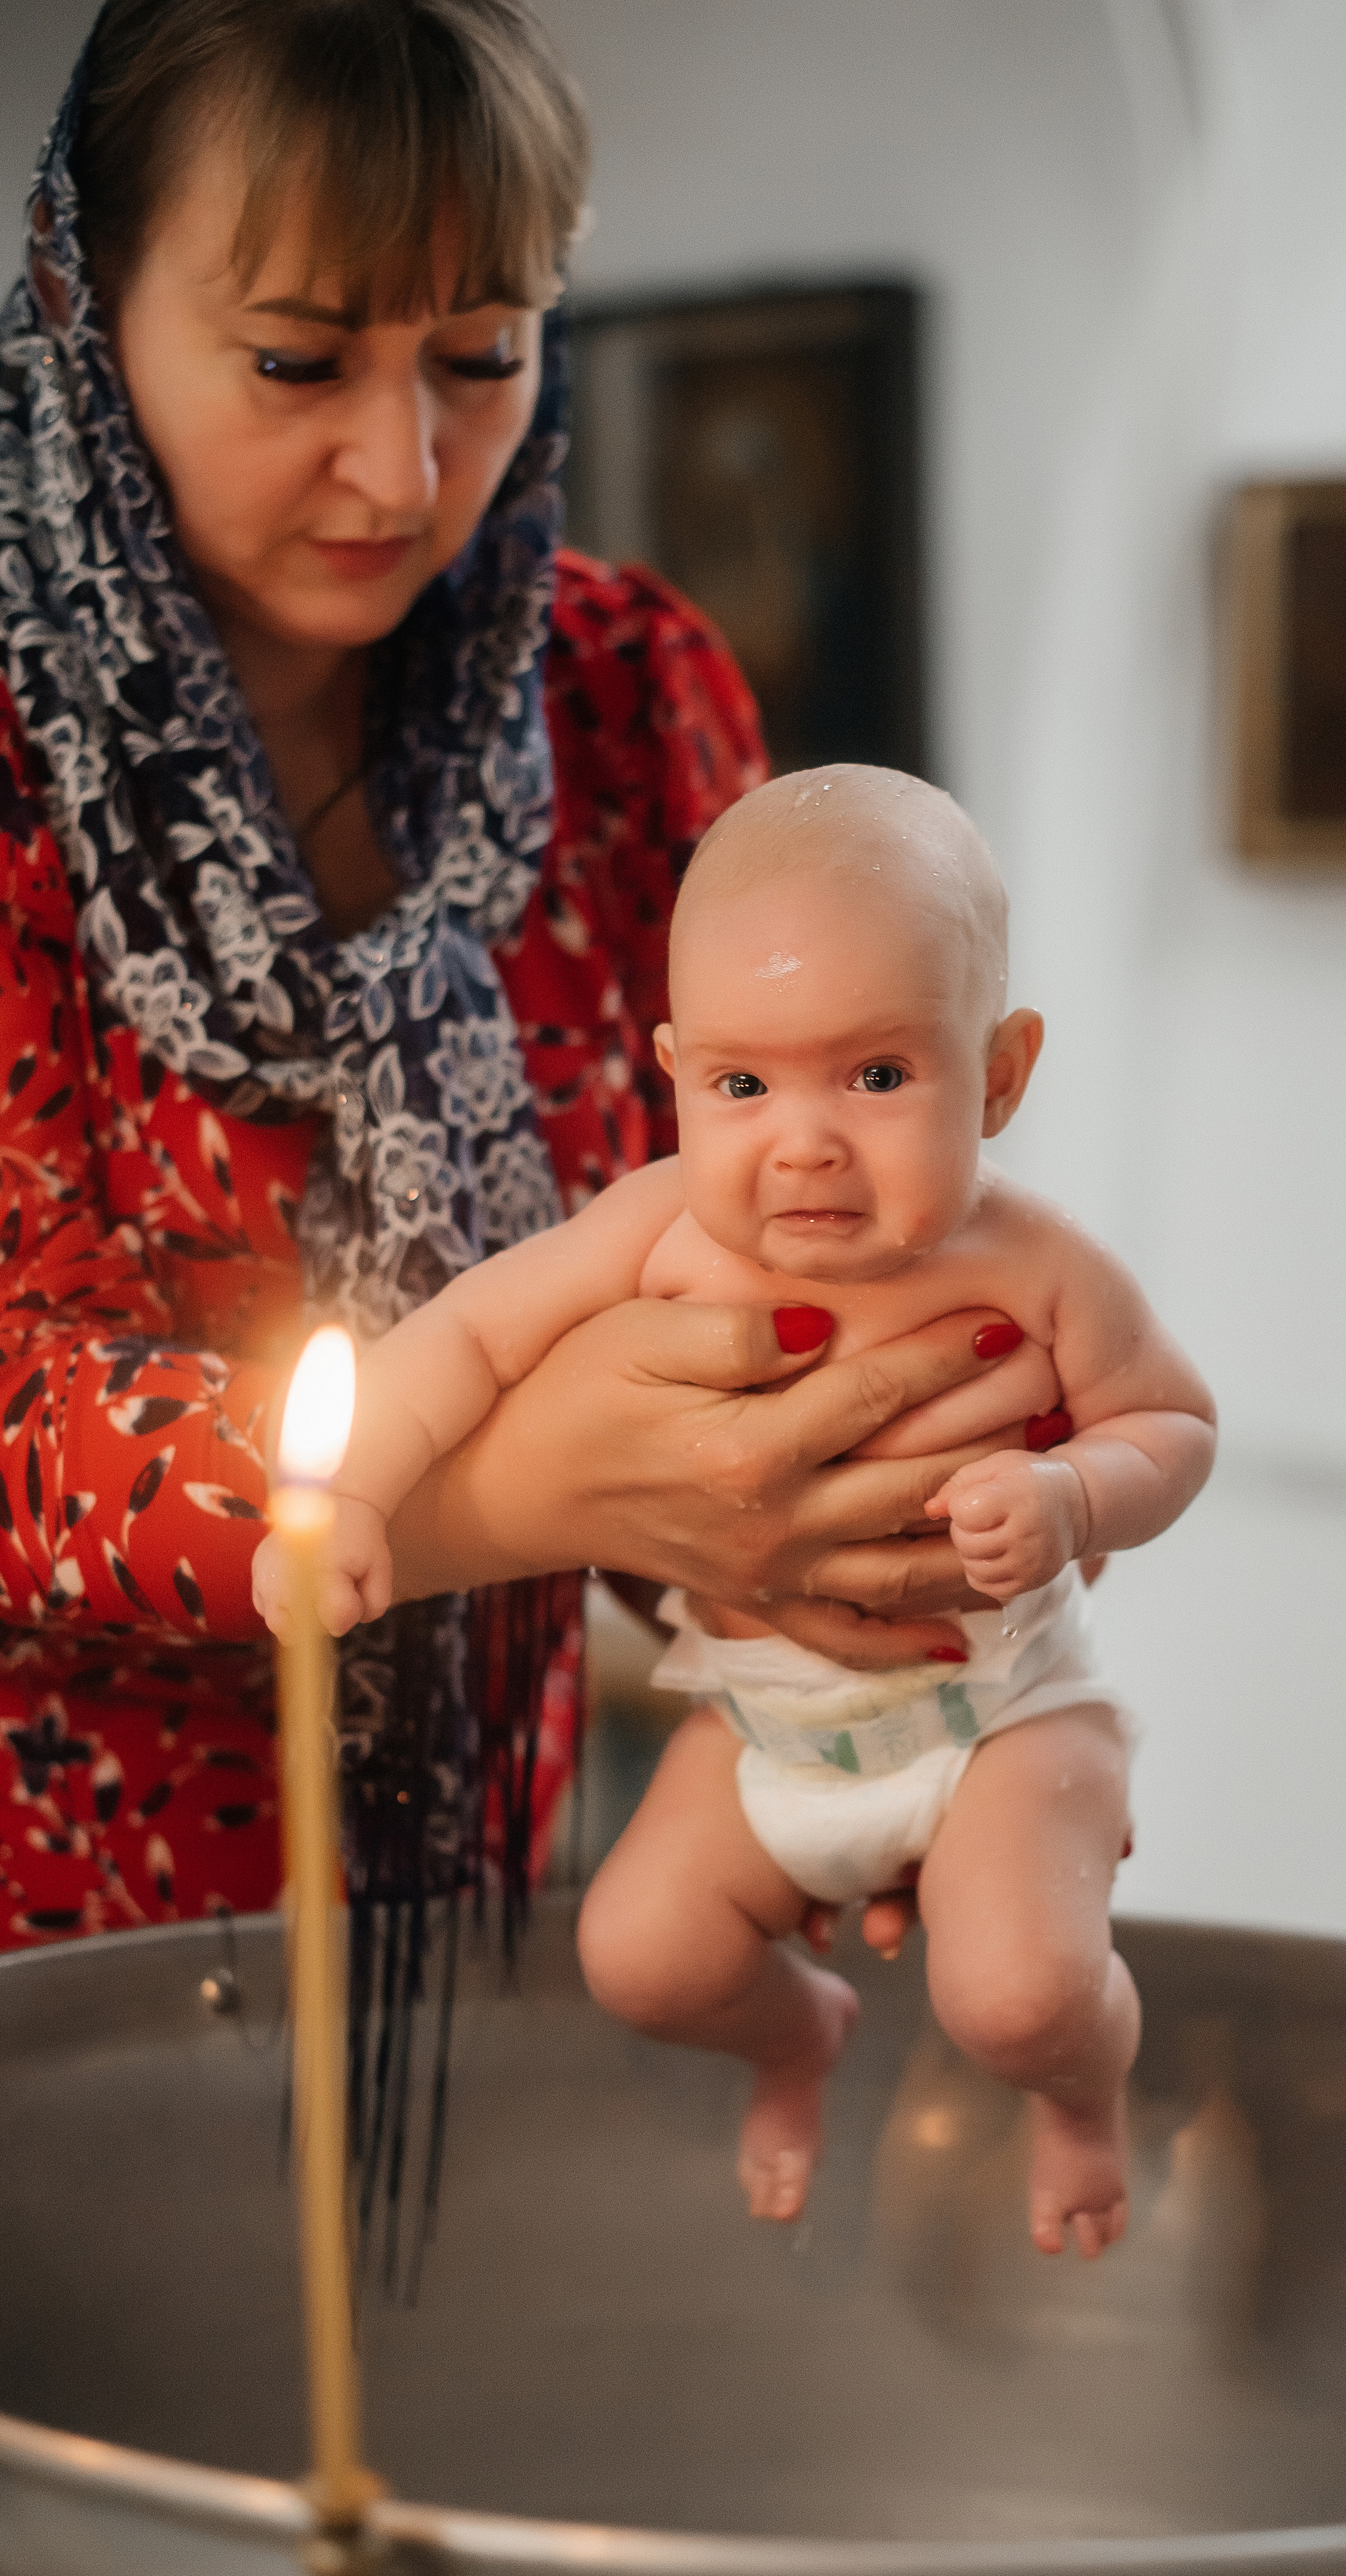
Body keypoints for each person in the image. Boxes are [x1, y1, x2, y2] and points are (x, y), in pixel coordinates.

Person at [0, 1, 1020, 1977]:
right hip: (11, 1922)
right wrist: (510, 1483)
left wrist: (869, 1677)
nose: (404, 466)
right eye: (297, 360)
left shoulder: (622, 693)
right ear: (84, 293)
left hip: (470, 1907)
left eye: (484, 356)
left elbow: (766, 1235)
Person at [256, 766, 1217, 2255]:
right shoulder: (655, 1233)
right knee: (635, 1954)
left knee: (1014, 1996)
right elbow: (460, 1340)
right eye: (742, 1085)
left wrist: (1073, 1485)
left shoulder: (1037, 1267)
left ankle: (1078, 2095)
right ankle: (792, 2039)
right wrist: (361, 1488)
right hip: (760, 1728)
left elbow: (1176, 1424)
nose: (803, 1142)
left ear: (1003, 1073)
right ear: (673, 1071)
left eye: (877, 1077)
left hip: (998, 1720)